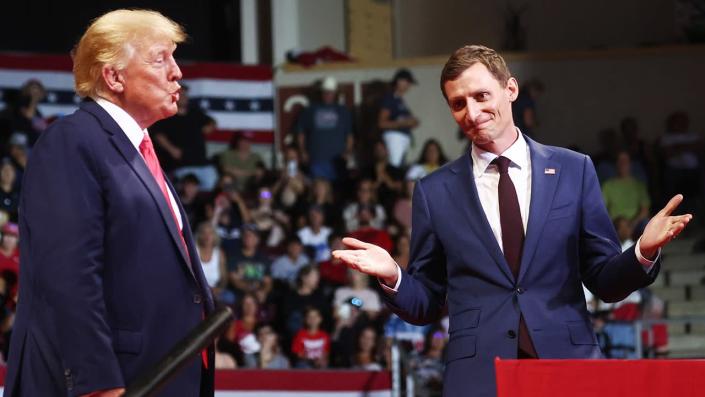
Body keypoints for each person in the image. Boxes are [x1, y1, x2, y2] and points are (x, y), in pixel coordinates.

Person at [333, 44, 692, 397]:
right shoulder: (434, 190)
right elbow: (426, 301)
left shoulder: (573, 169)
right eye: (459, 103)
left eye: (481, 96)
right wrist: (393, 275)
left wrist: (642, 251)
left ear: (511, 89)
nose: (472, 113)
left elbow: (604, 280)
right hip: (479, 376)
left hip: (567, 365)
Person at [4, 10, 216, 397]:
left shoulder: (138, 153)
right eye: (160, 58)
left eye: (174, 57)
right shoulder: (72, 141)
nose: (177, 72)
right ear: (114, 76)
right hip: (110, 383)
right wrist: (98, 383)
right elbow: (69, 274)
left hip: (162, 376)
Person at [295, 76, 354, 182]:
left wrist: (347, 152)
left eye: (331, 92)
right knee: (318, 190)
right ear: (321, 92)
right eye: (325, 92)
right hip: (316, 159)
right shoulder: (309, 110)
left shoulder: (344, 111)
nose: (328, 95)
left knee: (336, 191)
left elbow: (349, 135)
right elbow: (301, 133)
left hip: (337, 161)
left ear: (336, 93)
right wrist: (303, 151)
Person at [379, 68, 420, 167]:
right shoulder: (390, 98)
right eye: (407, 82)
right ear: (399, 81)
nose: (409, 86)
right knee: (395, 168)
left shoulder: (399, 100)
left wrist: (412, 122)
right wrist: (405, 123)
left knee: (400, 167)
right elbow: (382, 123)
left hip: (402, 139)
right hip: (394, 138)